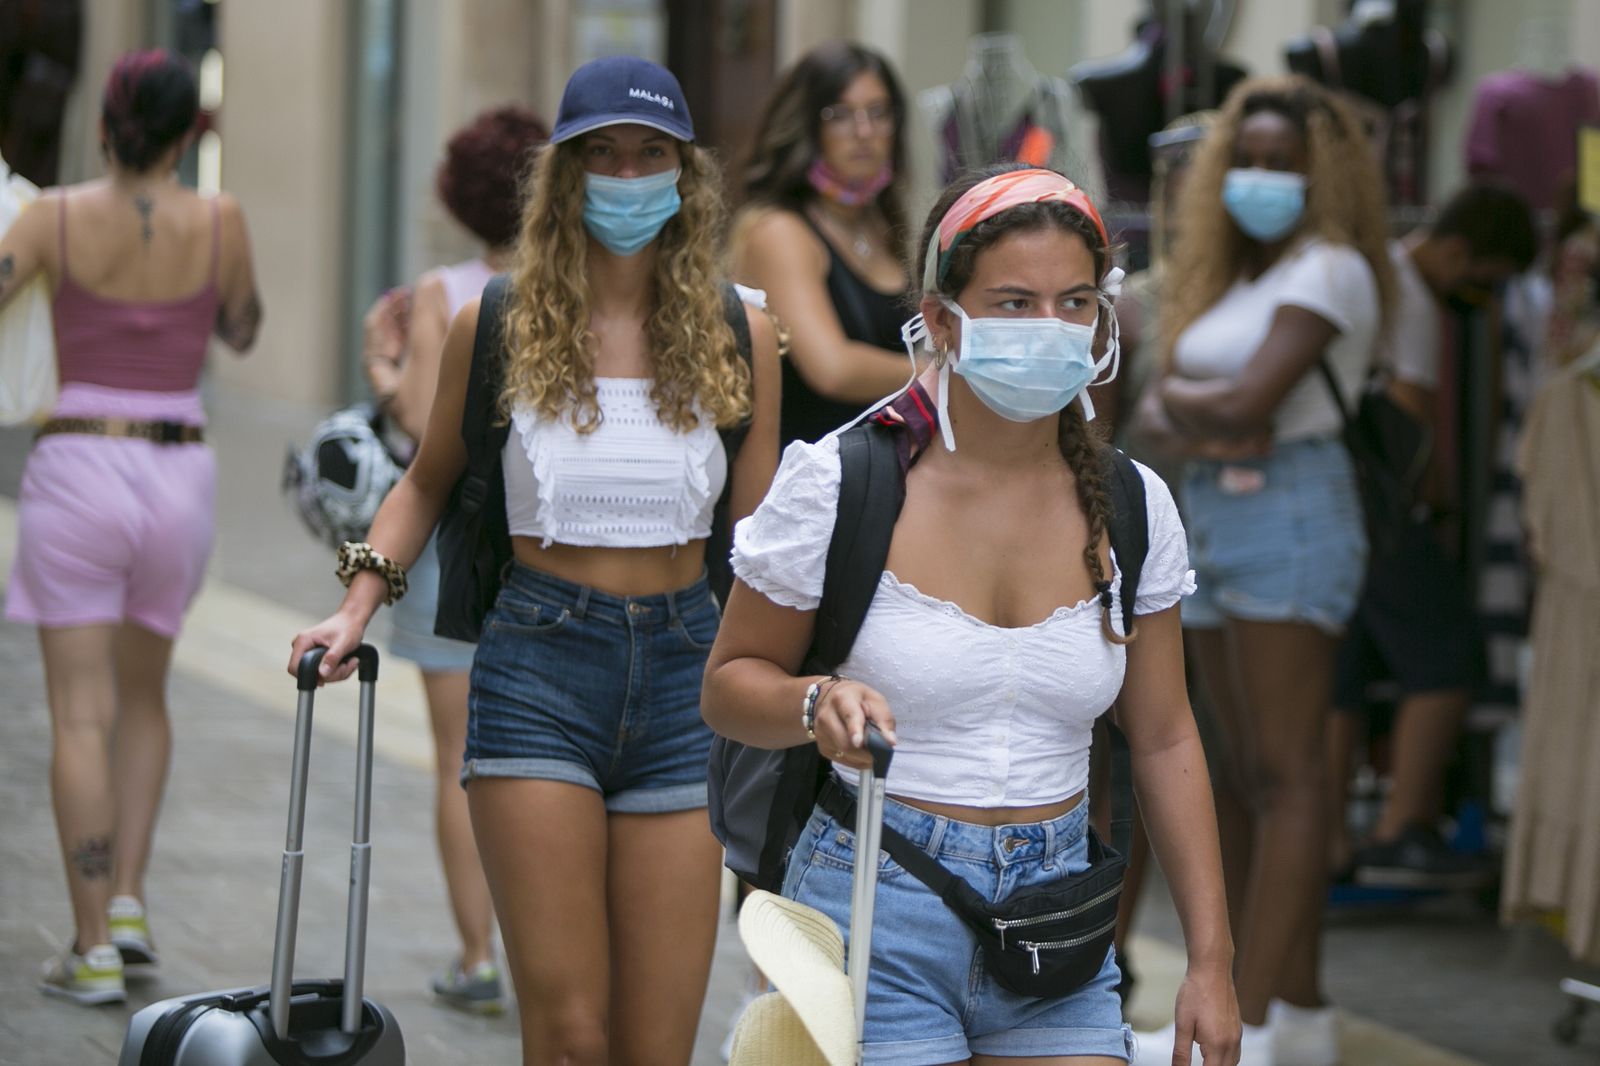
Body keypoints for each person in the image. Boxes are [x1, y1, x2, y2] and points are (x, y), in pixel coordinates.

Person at [288, 56, 779, 1066]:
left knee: (656, 1047)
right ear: (564, 174)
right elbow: (425, 481)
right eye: (604, 154)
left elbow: (763, 533)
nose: (628, 176)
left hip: (688, 678)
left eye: (651, 154)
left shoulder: (742, 327)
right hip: (538, 669)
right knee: (566, 1036)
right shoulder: (499, 319)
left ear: (685, 174)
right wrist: (355, 607)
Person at [704, 164, 1241, 1066]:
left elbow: (1163, 736)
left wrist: (1212, 962)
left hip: (1057, 917)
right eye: (1015, 303)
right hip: (872, 902)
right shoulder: (840, 483)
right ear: (943, 319)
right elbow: (728, 687)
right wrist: (816, 702)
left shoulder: (1133, 504)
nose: (1050, 328)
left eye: (1075, 303)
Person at [1133, 76, 1392, 1066]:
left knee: (1287, 775)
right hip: (1214, 515)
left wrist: (1199, 405)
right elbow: (1159, 408)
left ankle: (1242, 1019)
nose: (1260, 177)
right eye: (1246, 159)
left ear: (1321, 174)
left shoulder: (1332, 268)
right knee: (1240, 774)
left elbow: (1248, 401)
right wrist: (1210, 411)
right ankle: (1292, 1009)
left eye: (1283, 163)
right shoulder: (1234, 275)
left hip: (1293, 513)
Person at [0, 49, 261, 1004]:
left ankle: (90, 945)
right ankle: (129, 905)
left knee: (80, 713)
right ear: (189, 132)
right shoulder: (222, 220)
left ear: (108, 125)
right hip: (179, 469)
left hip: (78, 466)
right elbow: (242, 328)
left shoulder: (52, 218)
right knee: (146, 699)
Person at [361, 105, 548, 1014]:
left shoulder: (444, 292)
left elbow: (418, 422)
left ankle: (476, 958)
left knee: (456, 761)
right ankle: (541, 950)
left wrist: (382, 368)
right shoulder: (565, 285)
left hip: (452, 547)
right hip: (545, 547)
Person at [1329, 181, 1537, 888]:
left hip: (1334, 501)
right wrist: (1440, 495)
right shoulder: (1412, 297)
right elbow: (1411, 410)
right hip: (1385, 512)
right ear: (1456, 252)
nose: (1480, 295)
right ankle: (1404, 825)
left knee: (1345, 674)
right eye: (1485, 278)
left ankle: (1327, 838)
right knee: (1448, 656)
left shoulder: (1371, 271)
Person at [731, 40, 914, 447]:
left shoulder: (882, 223)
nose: (864, 132)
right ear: (807, 126)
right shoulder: (778, 229)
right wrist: (947, 370)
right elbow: (832, 368)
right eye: (840, 115)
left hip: (882, 465)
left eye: (878, 112)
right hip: (805, 471)